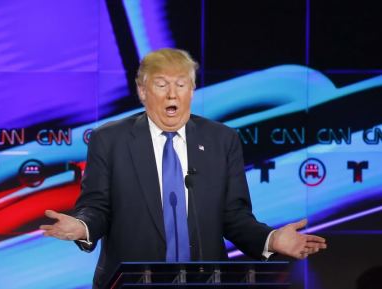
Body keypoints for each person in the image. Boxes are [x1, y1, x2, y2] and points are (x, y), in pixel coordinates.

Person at [40, 48, 327, 288]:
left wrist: (271, 238)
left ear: (192, 90)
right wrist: (82, 226)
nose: (172, 95)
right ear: (142, 91)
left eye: (181, 85)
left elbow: (234, 217)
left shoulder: (221, 140)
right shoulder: (110, 139)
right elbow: (98, 207)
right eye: (161, 85)